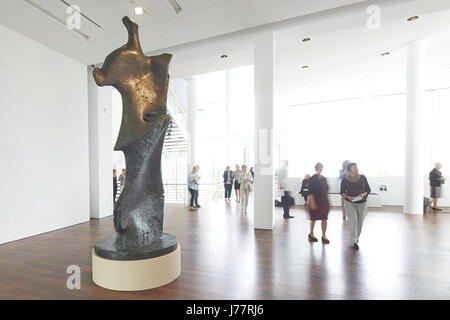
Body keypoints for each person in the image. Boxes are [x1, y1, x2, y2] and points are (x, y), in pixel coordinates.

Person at [340, 162, 371, 250]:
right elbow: (342, 192)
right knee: (353, 221)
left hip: (362, 202)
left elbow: (368, 189)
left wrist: (364, 194)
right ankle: (353, 241)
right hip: (350, 202)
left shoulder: (362, 177)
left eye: (356, 167)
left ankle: (356, 237)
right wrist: (347, 196)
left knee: (360, 221)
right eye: (354, 167)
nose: (356, 168)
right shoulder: (345, 179)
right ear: (350, 169)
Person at [307, 163, 330, 244]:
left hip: (324, 201)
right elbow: (310, 191)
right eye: (319, 167)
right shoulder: (313, 178)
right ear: (316, 168)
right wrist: (312, 202)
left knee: (324, 218)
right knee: (313, 218)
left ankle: (324, 235)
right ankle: (311, 233)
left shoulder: (324, 178)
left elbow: (327, 189)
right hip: (316, 200)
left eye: (322, 167)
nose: (321, 168)